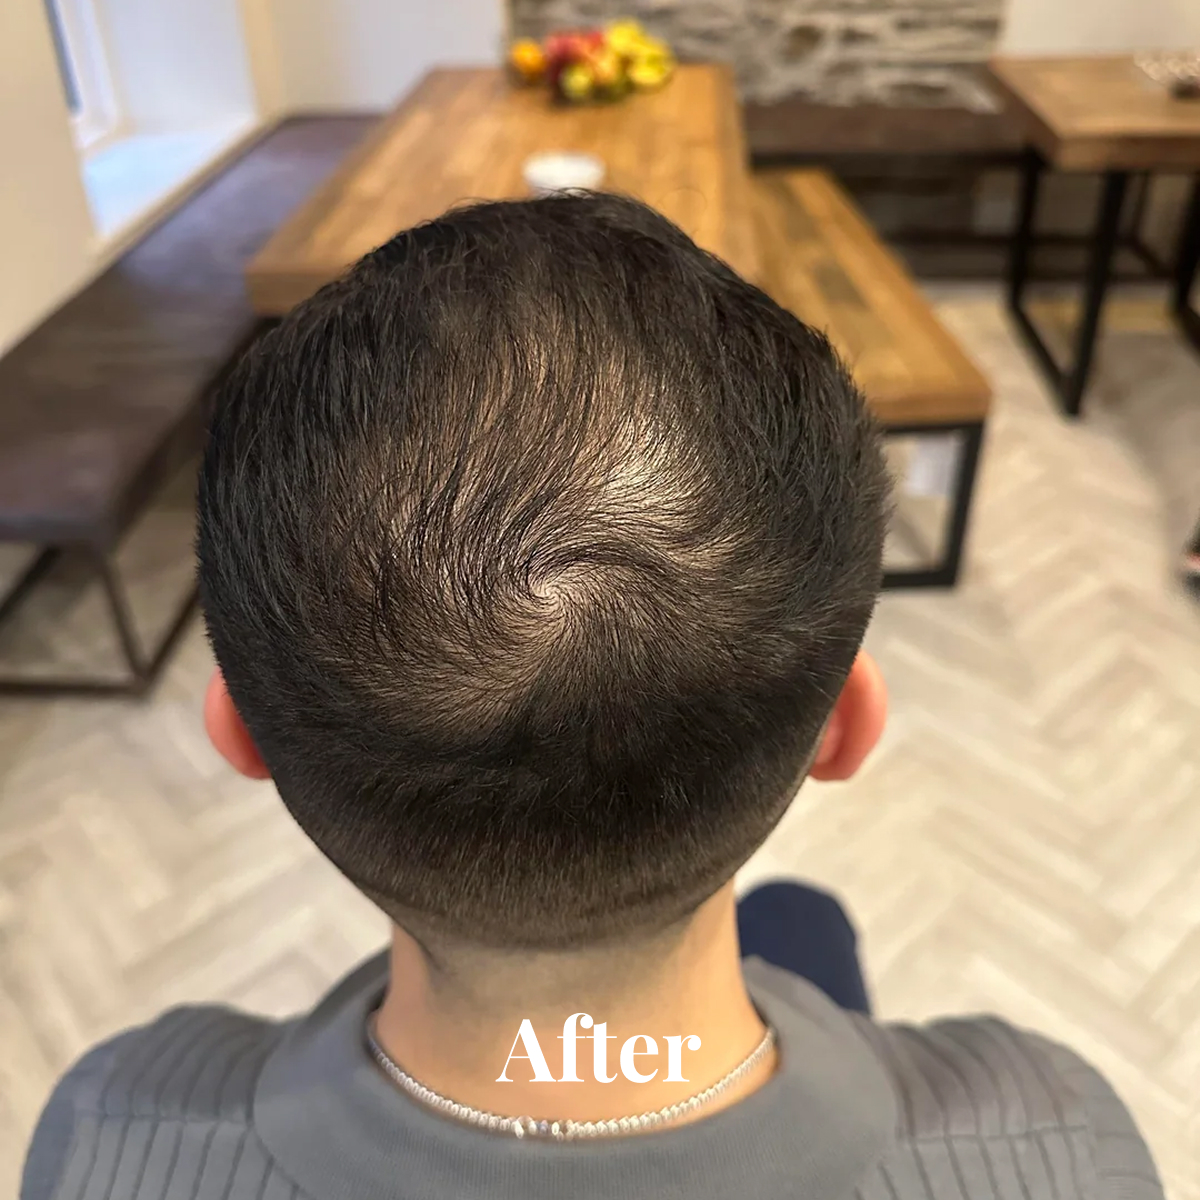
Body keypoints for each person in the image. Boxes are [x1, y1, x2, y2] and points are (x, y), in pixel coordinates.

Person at [23, 194, 1163, 1200]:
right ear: (846, 727)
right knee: (805, 924)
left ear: (241, 733)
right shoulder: (1062, 1139)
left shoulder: (113, 1128)